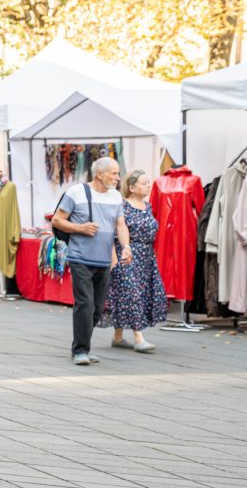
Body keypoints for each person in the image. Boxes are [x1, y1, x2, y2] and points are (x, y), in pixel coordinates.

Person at [51, 157, 132, 366]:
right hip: (80, 258)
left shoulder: (116, 196)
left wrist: (126, 247)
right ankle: (80, 351)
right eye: (113, 173)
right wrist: (80, 228)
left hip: (104, 260)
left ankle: (82, 345)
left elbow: (120, 225)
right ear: (99, 174)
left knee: (96, 308)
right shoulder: (76, 192)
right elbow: (57, 220)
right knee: (85, 304)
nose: (117, 177)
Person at [102, 169, 167, 353]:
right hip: (127, 255)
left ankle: (118, 336)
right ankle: (139, 338)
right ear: (131, 187)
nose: (148, 185)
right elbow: (112, 231)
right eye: (144, 183)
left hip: (146, 257)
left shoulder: (148, 206)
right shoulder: (121, 205)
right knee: (132, 294)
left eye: (148, 182)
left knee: (133, 294)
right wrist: (114, 255)